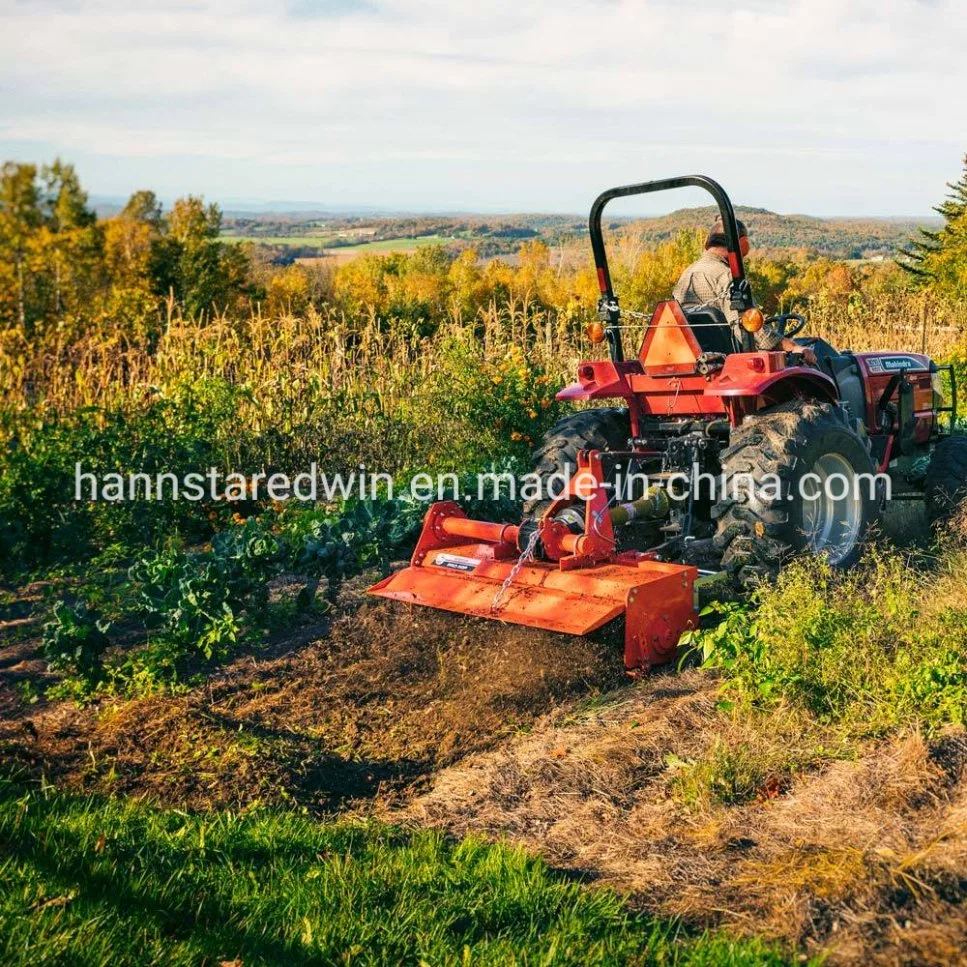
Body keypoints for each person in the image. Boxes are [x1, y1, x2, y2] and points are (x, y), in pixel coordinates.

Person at [673, 218, 817, 364]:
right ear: (742, 244)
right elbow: (756, 334)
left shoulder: (687, 274)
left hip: (698, 360)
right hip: (734, 363)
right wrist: (794, 347)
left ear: (708, 242)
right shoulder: (727, 276)